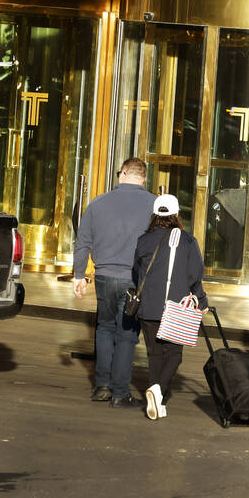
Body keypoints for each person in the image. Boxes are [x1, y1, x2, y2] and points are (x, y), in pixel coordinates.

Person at [71, 157, 155, 408]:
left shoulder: (97, 204)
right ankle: (120, 392)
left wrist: (79, 275)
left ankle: (102, 386)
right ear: (143, 178)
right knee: (127, 334)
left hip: (105, 276)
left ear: (122, 175)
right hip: (134, 279)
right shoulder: (154, 205)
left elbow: (83, 242)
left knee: (105, 328)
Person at [133, 194, 209, 421]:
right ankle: (158, 391)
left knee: (154, 354)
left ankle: (158, 400)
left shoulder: (143, 240)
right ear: (176, 215)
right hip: (176, 307)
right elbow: (194, 275)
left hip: (148, 306)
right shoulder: (187, 241)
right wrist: (202, 301)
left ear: (155, 215)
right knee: (174, 354)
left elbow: (136, 272)